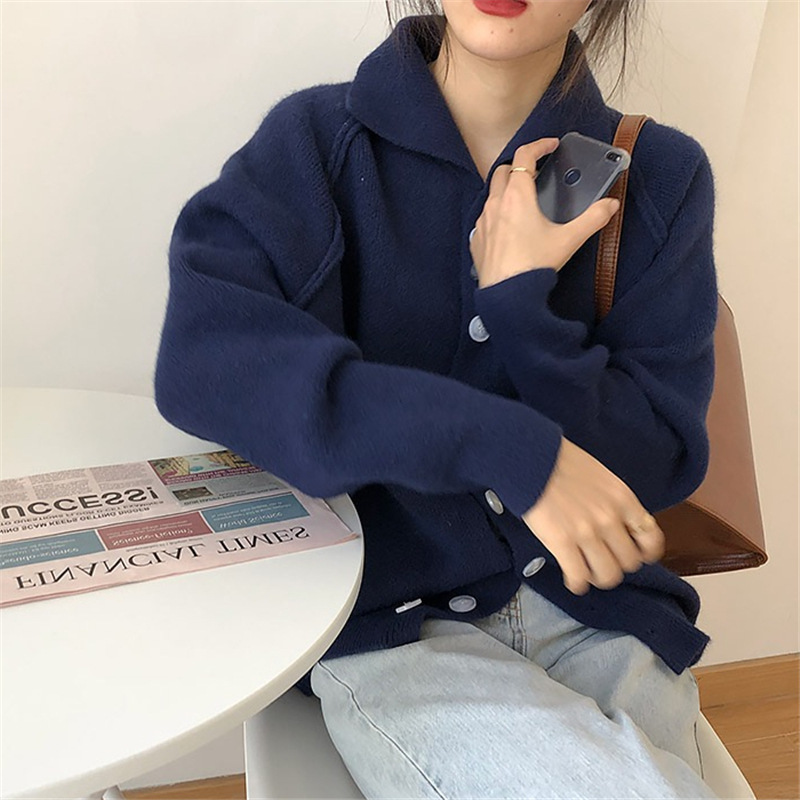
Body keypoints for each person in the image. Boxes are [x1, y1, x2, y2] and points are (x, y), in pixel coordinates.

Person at [154, 1, 722, 797]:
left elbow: (653, 465)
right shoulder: (314, 147)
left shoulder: (660, 174)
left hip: (603, 616)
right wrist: (508, 447)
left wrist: (523, 308)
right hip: (395, 629)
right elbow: (207, 364)